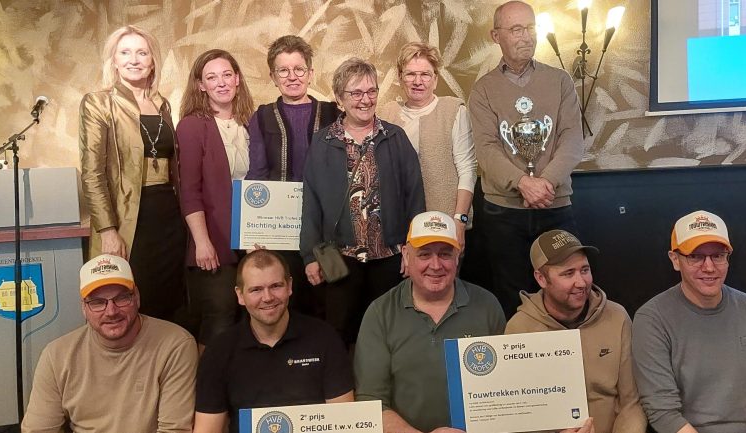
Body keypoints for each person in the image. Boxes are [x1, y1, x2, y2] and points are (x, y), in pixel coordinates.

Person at [469, 0, 585, 317]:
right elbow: (486, 148)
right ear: (496, 36)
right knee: (513, 297)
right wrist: (522, 183)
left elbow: (573, 139)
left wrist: (544, 183)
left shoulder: (560, 81)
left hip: (555, 205)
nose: (526, 36)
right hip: (503, 212)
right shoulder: (483, 90)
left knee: (567, 292)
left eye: (531, 27)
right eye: (516, 29)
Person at [632, 211, 746, 433]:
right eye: (696, 256)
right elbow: (663, 411)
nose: (709, 267)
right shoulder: (652, 319)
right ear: (675, 260)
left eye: (718, 256)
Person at [300, 57, 425, 344]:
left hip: (390, 257)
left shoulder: (395, 137)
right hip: (341, 259)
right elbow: (311, 202)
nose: (365, 100)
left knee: (391, 333)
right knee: (340, 334)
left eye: (371, 91)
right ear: (340, 100)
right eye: (356, 93)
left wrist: (413, 248)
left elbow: (415, 197)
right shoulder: (322, 142)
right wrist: (309, 256)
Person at [354, 211, 506, 433]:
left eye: (445, 254)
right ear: (406, 256)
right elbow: (371, 400)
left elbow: (508, 388)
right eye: (424, 255)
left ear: (458, 256)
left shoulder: (487, 305)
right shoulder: (380, 313)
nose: (435, 266)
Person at [79, 25, 186, 322]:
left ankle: (167, 367)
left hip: (168, 215)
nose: (134, 59)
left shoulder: (162, 104)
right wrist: (108, 231)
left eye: (142, 52)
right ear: (113, 60)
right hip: (127, 219)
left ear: (152, 60)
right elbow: (92, 173)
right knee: (131, 301)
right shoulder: (98, 102)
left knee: (170, 300)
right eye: (125, 52)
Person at [21, 254, 198, 433]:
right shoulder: (56, 355)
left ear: (136, 297)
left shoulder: (176, 345)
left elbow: (174, 430)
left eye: (121, 298)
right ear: (84, 307)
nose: (111, 311)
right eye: (98, 302)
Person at [193, 250, 354, 433]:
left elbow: (344, 422)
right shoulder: (219, 351)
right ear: (240, 295)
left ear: (290, 286)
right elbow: (207, 430)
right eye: (256, 289)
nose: (268, 297)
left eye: (276, 286)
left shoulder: (324, 338)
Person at [506, 230, 645, 433]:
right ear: (541, 279)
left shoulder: (617, 317)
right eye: (568, 273)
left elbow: (631, 403)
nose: (581, 283)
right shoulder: (519, 328)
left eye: (585, 270)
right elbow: (516, 415)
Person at [245, 35, 340, 317]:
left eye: (299, 69)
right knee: (288, 300)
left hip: (328, 230)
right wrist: (253, 228)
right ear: (273, 76)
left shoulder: (333, 113)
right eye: (283, 70)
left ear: (311, 73)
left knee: (334, 297)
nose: (292, 77)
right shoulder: (261, 117)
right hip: (279, 229)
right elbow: (257, 175)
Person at [177, 49, 255, 347]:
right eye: (212, 77)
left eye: (226, 75)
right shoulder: (193, 125)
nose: (221, 83)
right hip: (214, 238)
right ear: (201, 85)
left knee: (251, 320)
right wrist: (202, 241)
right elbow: (189, 190)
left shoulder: (252, 121)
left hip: (252, 237)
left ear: (237, 79)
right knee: (220, 318)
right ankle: (210, 390)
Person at [378, 42, 476, 247]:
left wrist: (460, 220)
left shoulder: (453, 110)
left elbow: (467, 169)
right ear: (400, 77)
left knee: (440, 277)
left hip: (444, 222)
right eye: (410, 74)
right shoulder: (387, 113)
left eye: (425, 74)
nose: (417, 81)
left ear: (436, 78)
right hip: (397, 224)